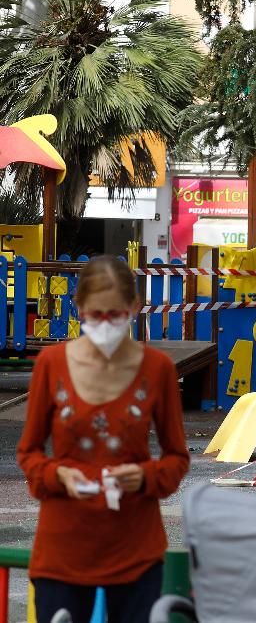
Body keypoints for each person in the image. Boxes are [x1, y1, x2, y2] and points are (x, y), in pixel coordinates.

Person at [17, 256, 190, 623]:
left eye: (115, 314)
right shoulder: (51, 363)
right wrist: (58, 476)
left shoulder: (157, 369)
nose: (106, 324)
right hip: (62, 549)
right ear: (78, 308)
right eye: (96, 315)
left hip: (135, 550)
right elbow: (29, 452)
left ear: (134, 308)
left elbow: (177, 458)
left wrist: (144, 476)